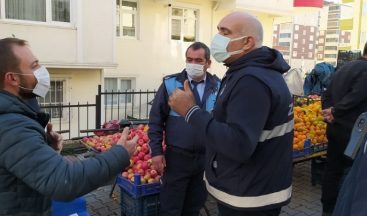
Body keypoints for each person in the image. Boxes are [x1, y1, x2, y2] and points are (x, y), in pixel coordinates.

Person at [168, 12, 293, 216]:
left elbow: (238, 144)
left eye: (225, 32)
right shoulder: (249, 71)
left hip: (249, 197)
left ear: (247, 42)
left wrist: (190, 111)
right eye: (218, 30)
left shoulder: (251, 80)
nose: (217, 38)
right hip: (252, 188)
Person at [0, 37, 138, 215]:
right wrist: (120, 154)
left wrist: (46, 149)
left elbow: (22, 169)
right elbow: (65, 181)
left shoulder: (13, 117)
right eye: (34, 66)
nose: (42, 71)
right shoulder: (12, 126)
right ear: (12, 78)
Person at [148, 42, 220, 216]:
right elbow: (156, 120)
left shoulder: (218, 86)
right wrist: (156, 152)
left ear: (208, 63)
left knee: (193, 208)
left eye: (198, 60)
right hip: (177, 158)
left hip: (205, 159)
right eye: (189, 59)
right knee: (170, 209)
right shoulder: (170, 84)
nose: (193, 64)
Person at [320, 41, 367, 216]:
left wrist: (328, 111)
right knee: (350, 174)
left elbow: (326, 92)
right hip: (354, 132)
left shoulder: (346, 67)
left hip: (335, 127)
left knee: (332, 169)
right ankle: (341, 209)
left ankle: (327, 208)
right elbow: (357, 95)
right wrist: (335, 111)